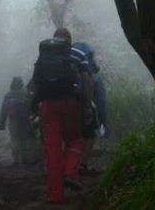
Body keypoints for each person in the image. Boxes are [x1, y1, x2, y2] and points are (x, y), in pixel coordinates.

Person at [31, 27, 94, 204]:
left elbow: (36, 82)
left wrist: (36, 106)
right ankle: (69, 172)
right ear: (69, 41)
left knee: (52, 149)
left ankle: (54, 195)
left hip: (48, 105)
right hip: (70, 103)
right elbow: (88, 80)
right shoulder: (78, 53)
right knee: (75, 140)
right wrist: (88, 106)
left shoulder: (44, 55)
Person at [72, 42, 109, 175]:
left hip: (66, 109)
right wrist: (104, 122)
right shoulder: (94, 76)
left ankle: (68, 165)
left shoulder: (67, 67)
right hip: (85, 109)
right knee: (89, 136)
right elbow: (100, 102)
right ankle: (82, 164)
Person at [0, 76, 32, 165]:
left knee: (15, 139)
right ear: (21, 83)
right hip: (25, 120)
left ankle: (16, 160)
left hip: (13, 120)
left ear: (12, 84)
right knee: (24, 139)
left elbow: (4, 111)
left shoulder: (8, 95)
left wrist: (2, 125)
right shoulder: (26, 94)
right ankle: (24, 160)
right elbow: (31, 107)